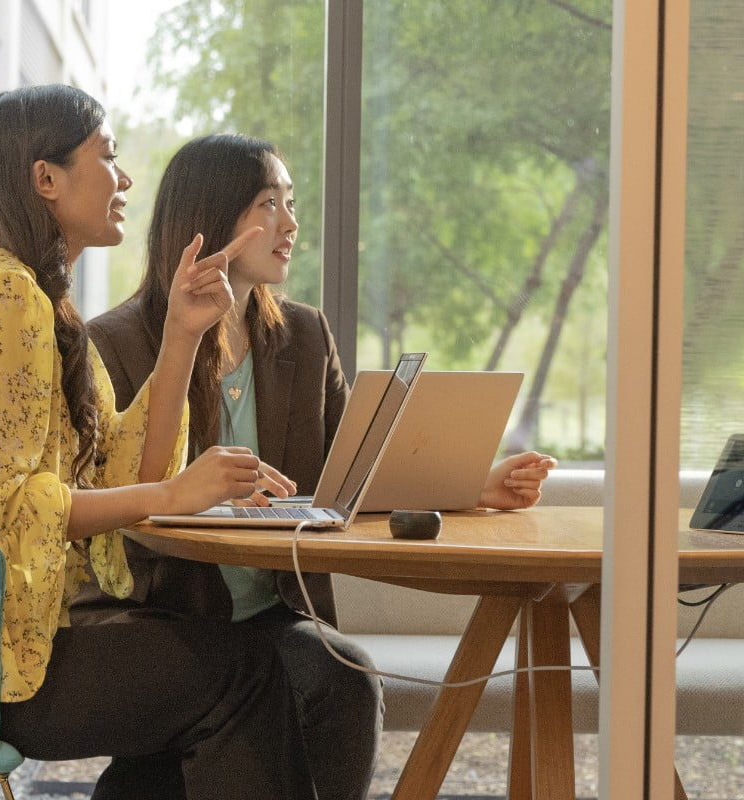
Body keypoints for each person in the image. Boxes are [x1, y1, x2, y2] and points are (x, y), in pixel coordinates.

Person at [0, 86, 319, 799]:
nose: (126, 178)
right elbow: (3, 508)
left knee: (238, 674)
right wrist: (171, 493)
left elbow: (116, 470)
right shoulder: (2, 295)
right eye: (106, 156)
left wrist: (180, 337)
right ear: (47, 179)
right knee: (245, 674)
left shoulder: (41, 298)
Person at [71, 133, 560, 800]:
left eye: (292, 203)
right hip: (162, 612)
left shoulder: (302, 335)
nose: (291, 224)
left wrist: (480, 485)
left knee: (345, 677)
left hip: (270, 609)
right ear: (212, 219)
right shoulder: (114, 343)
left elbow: (351, 477)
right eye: (269, 204)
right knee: (252, 693)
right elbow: (110, 509)